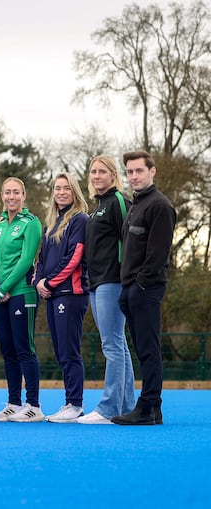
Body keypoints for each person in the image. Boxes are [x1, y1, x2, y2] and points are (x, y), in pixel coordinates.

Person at [112, 150, 176, 426]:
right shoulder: (136, 206)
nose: (134, 176)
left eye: (139, 171)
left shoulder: (160, 206)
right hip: (131, 291)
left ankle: (147, 407)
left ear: (152, 171)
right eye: (130, 172)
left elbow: (158, 255)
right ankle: (154, 408)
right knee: (142, 349)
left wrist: (138, 287)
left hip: (146, 289)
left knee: (149, 349)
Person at [78, 155, 136, 425]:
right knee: (117, 343)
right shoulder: (97, 206)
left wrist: (127, 278)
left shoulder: (119, 202)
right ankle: (125, 406)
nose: (96, 176)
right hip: (96, 281)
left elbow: (130, 241)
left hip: (113, 281)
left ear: (113, 175)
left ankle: (108, 407)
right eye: (93, 171)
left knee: (112, 344)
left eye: (102, 171)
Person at [0, 177, 44, 423]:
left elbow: (26, 259)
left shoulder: (31, 223)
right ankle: (13, 403)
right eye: (7, 192)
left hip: (22, 293)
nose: (11, 196)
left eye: (16, 192)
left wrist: (6, 287)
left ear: (24, 195)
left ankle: (33, 405)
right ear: (2, 196)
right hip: (0, 296)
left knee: (24, 349)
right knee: (7, 350)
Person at [35, 173, 90, 423]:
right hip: (52, 294)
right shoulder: (50, 224)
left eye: (66, 188)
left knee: (69, 350)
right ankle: (69, 401)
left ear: (74, 191)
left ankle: (75, 404)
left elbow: (75, 256)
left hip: (71, 294)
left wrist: (52, 281)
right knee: (60, 350)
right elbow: (42, 260)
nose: (61, 192)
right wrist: (38, 282)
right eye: (57, 188)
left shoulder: (80, 220)